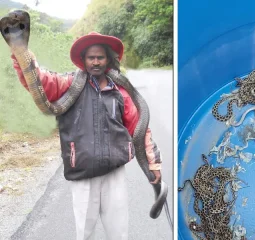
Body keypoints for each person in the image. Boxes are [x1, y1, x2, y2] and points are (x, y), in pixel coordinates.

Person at [10, 32, 163, 240]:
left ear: (108, 59)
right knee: (84, 233)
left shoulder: (120, 92)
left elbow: (140, 130)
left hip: (114, 173)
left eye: (100, 57)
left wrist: (153, 166)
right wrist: (21, 55)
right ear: (83, 60)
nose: (96, 62)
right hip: (83, 175)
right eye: (91, 57)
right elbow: (42, 81)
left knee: (119, 233)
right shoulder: (69, 84)